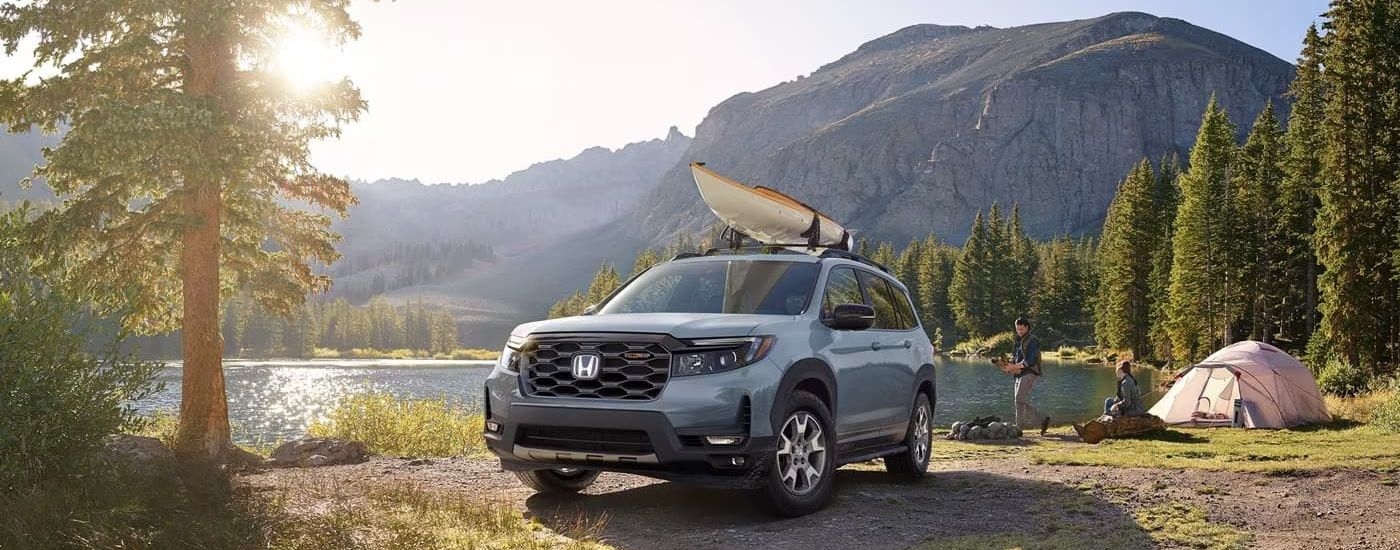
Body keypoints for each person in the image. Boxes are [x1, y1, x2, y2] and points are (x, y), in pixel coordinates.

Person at [1010, 317, 1050, 435]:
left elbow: (1030, 361)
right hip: (1019, 373)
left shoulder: (1032, 341)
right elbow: (1016, 357)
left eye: (1021, 329)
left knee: (1019, 400)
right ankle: (1019, 427)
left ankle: (1042, 418)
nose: (1019, 331)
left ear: (1027, 328)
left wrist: (1014, 367)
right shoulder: (1018, 340)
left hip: (1030, 372)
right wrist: (1009, 365)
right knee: (1018, 401)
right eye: (1017, 329)